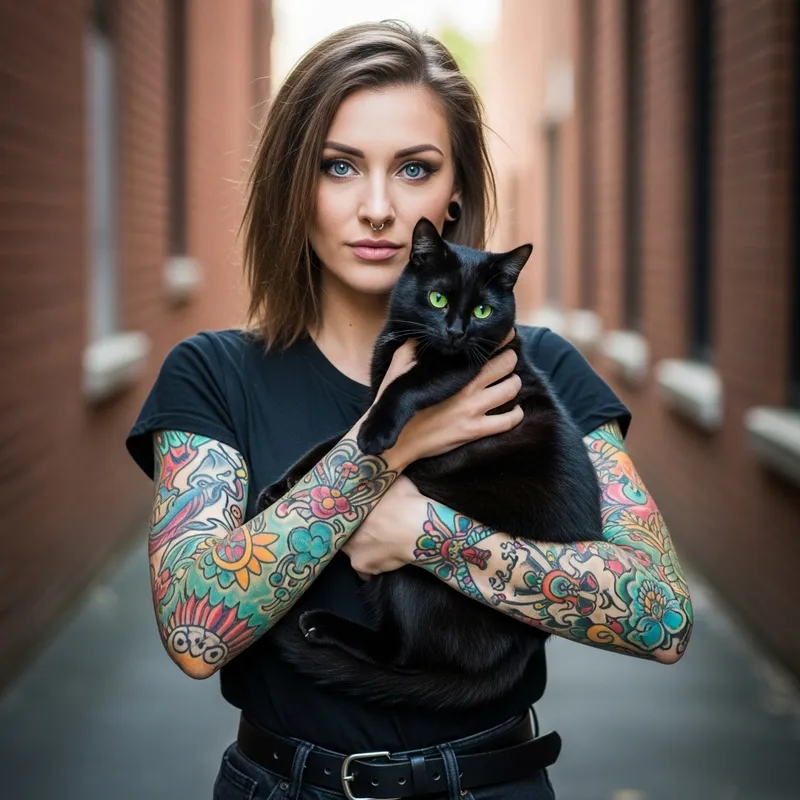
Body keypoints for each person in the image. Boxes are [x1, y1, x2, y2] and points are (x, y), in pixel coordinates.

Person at [125, 21, 693, 800]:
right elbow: (196, 632)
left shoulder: (539, 368)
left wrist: (427, 534)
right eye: (340, 166)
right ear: (297, 182)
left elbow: (659, 618)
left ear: (453, 191)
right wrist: (385, 447)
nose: (379, 208)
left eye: (415, 168)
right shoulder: (215, 374)